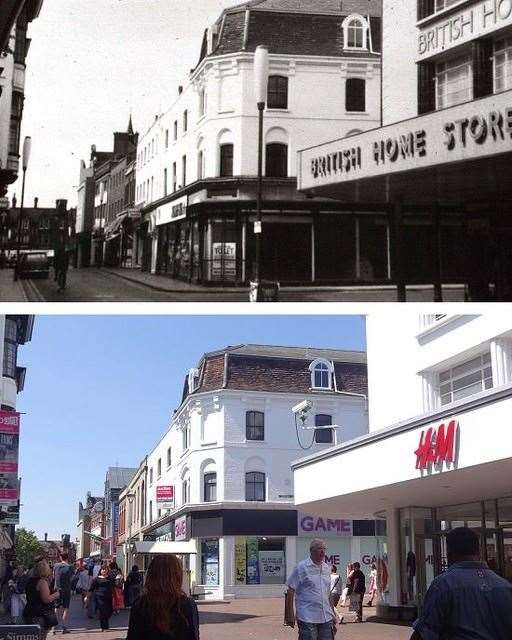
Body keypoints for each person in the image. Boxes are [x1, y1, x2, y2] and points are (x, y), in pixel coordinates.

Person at [411, 527, 512, 640]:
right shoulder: (505, 586)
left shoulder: (443, 585)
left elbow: (424, 633)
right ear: (478, 551)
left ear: (449, 553)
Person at [126, 555, 199, 640]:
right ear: (177, 576)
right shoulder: (187, 604)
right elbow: (193, 636)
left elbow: (133, 636)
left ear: (150, 575)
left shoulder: (140, 604)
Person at [284, 538, 337, 639]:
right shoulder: (302, 567)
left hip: (326, 617)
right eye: (319, 548)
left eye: (324, 548)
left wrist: (333, 614)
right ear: (311, 550)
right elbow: (290, 590)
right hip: (307, 617)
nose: (322, 551)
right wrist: (290, 615)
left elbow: (328, 593)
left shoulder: (327, 568)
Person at [23, 558, 60, 640]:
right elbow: (46, 599)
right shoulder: (42, 582)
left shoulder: (30, 581)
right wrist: (56, 594)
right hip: (39, 615)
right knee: (40, 637)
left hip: (29, 612)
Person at [87, 566, 113, 632]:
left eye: (105, 569)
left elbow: (113, 586)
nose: (104, 571)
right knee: (103, 612)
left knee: (109, 611)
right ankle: (104, 627)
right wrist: (87, 597)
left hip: (109, 597)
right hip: (99, 597)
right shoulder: (96, 579)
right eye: (103, 569)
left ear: (107, 570)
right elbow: (91, 588)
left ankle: (105, 625)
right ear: (100, 571)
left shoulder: (110, 578)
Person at [53, 552, 74, 634]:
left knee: (56, 608)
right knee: (65, 608)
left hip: (57, 589)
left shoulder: (55, 566)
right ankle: (64, 627)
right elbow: (71, 579)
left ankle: (54, 627)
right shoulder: (70, 567)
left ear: (61, 557)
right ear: (67, 558)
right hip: (66, 589)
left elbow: (53, 576)